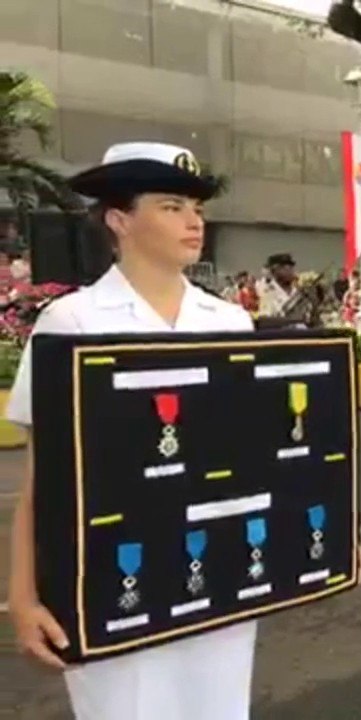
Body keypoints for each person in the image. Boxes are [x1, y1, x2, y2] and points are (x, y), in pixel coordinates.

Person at [7, 142, 259, 719]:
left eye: (196, 206)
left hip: (215, 571)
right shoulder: (71, 321)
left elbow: (257, 457)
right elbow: (42, 479)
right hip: (111, 575)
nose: (194, 221)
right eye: (172, 206)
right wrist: (23, 598)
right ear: (119, 219)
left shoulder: (229, 322)